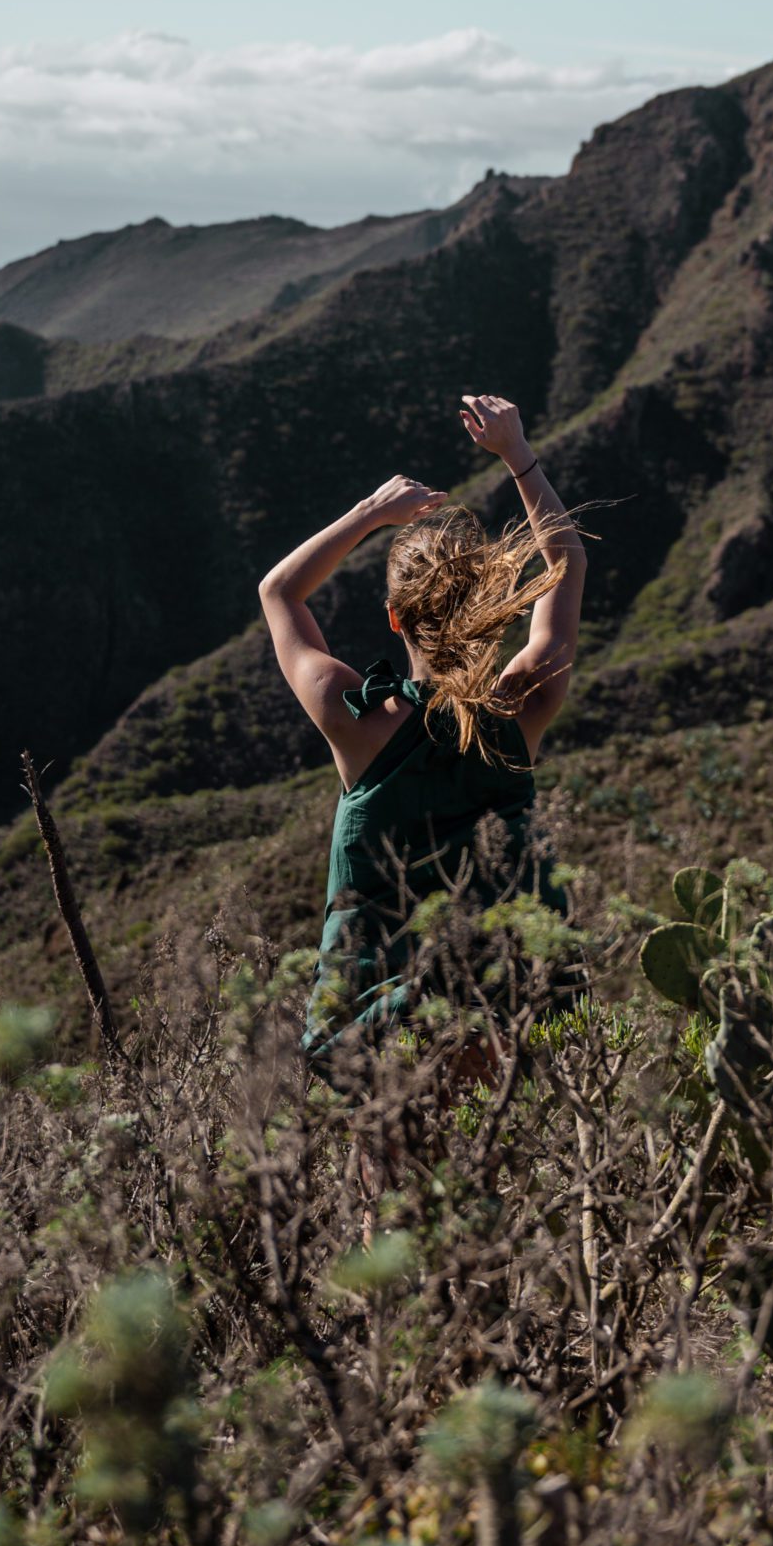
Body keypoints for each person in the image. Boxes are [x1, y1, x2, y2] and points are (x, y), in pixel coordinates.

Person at [257, 393, 587, 1066]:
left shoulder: (352, 715)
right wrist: (516, 455)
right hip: (510, 1017)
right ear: (494, 614)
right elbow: (567, 565)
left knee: (396, 1171)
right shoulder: (521, 709)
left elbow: (280, 593)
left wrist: (371, 513)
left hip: (374, 1030)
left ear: (394, 619)